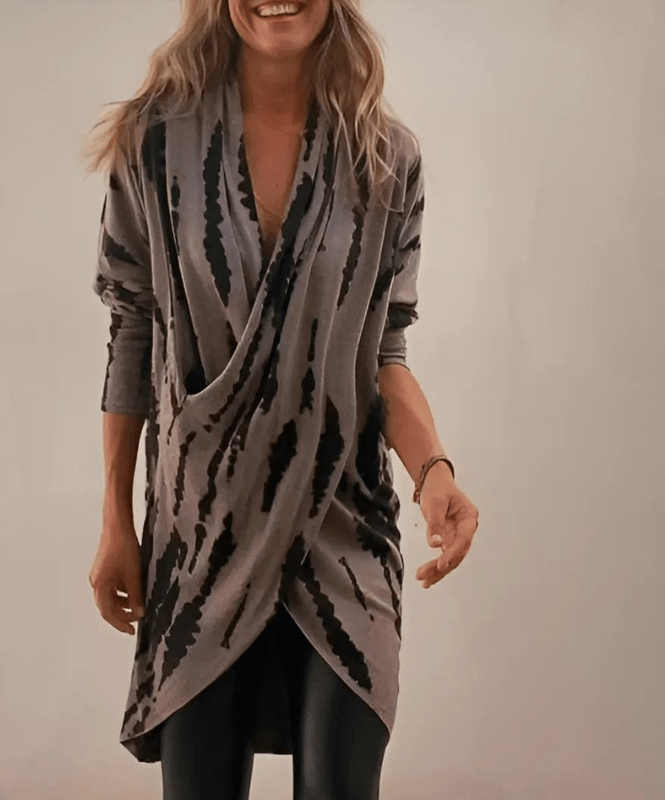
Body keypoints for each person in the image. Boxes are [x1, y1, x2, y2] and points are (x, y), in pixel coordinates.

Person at [83, 1, 479, 798]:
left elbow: (384, 349)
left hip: (341, 530)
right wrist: (116, 521)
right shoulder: (155, 144)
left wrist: (434, 472)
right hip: (202, 538)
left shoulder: (385, 159)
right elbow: (133, 332)